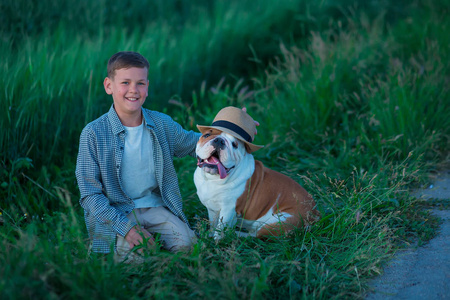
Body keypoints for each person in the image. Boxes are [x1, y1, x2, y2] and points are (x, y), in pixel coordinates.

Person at [75, 51, 201, 262]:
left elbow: (194, 143)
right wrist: (128, 229)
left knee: (189, 246)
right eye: (125, 82)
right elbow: (90, 195)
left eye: (140, 83)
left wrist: (231, 129)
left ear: (147, 87)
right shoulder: (94, 133)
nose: (133, 90)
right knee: (137, 260)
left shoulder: (162, 124)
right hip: (116, 213)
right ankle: (135, 247)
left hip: (154, 206)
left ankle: (155, 242)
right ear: (109, 86)